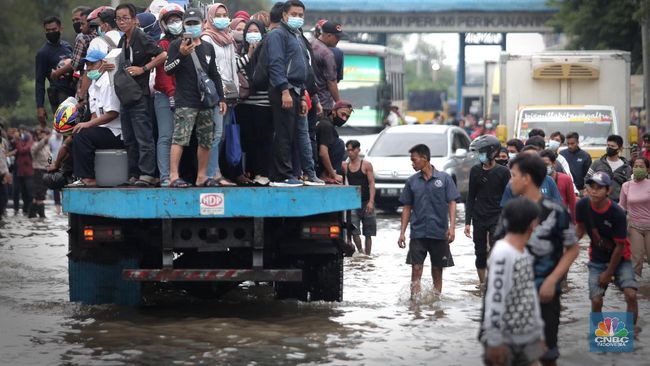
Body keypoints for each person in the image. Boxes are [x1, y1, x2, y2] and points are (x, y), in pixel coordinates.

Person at [505, 153, 579, 365]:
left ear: (526, 178)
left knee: (547, 355)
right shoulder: (511, 212)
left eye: (513, 175)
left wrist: (552, 280)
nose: (510, 181)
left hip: (546, 295)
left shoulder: (555, 211)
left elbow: (573, 249)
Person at [164, 8, 227, 188]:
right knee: (180, 138)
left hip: (206, 102)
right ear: (184, 25)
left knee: (206, 139)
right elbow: (168, 69)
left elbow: (214, 74)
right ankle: (174, 176)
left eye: (195, 23)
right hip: (185, 100)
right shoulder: (177, 45)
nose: (192, 27)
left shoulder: (208, 47)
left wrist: (221, 98)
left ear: (203, 23)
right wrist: (182, 54)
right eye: (189, 23)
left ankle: (202, 176)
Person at [480, 197, 545, 366]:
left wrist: (539, 333)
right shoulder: (503, 253)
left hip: (529, 336)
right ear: (532, 224)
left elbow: (529, 296)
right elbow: (495, 298)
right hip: (507, 341)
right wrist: (494, 341)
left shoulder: (523, 252)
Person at [575, 171, 639, 334]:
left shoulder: (617, 213)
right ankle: (600, 334)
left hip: (621, 259)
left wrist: (609, 272)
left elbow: (620, 247)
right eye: (591, 187)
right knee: (596, 300)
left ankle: (630, 332)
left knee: (631, 295)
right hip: (596, 258)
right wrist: (565, 248)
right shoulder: (582, 205)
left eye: (599, 188)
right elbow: (579, 230)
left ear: (608, 191)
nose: (594, 191)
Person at [115, 3, 167, 187]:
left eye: (125, 18)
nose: (122, 22)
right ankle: (134, 172)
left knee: (143, 136)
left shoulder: (141, 37)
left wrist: (143, 69)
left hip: (139, 95)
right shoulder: (123, 40)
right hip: (126, 95)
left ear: (134, 20)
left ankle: (147, 174)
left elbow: (162, 55)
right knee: (129, 138)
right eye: (118, 19)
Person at [398, 144, 459, 296]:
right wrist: (402, 233)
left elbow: (452, 203)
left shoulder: (444, 179)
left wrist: (452, 228)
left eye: (414, 160)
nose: (412, 163)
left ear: (424, 159)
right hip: (418, 233)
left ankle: (436, 303)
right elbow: (407, 207)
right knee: (416, 268)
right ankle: (415, 304)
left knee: (437, 270)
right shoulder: (411, 181)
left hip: (439, 232)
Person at [266, 0, 312, 187]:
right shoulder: (278, 34)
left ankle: (290, 173)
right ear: (284, 15)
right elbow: (276, 64)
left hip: (296, 89)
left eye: (301, 15)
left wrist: (301, 96)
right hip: (282, 90)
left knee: (292, 133)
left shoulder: (297, 35)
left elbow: (302, 68)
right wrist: (284, 90)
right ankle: (281, 175)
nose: (298, 18)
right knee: (283, 133)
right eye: (294, 14)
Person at [67, 49, 125, 188]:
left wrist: (87, 125)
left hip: (116, 131)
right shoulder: (94, 84)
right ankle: (77, 176)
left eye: (93, 64)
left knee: (83, 135)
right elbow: (94, 115)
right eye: (87, 64)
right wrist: (83, 125)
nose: (90, 67)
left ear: (102, 63)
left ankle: (89, 178)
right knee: (75, 135)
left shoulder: (107, 82)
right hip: (104, 129)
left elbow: (112, 114)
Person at [201, 3, 243, 186]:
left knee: (222, 135)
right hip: (216, 95)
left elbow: (233, 67)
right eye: (217, 15)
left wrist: (236, 91)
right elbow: (210, 69)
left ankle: (217, 171)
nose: (222, 18)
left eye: (225, 14)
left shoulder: (229, 38)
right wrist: (220, 92)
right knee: (215, 135)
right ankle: (213, 174)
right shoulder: (207, 38)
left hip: (230, 95)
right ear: (210, 17)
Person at [465, 135, 511, 286]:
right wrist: (467, 222)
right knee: (480, 253)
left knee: (496, 248)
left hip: (497, 216)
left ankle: (495, 280)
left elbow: (509, 196)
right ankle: (483, 284)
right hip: (479, 217)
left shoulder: (503, 172)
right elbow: (471, 197)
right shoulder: (475, 171)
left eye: (482, 152)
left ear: (492, 152)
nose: (479, 155)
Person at [235, 19, 273, 185]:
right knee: (247, 140)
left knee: (263, 140)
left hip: (264, 104)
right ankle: (248, 172)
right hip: (244, 104)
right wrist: (249, 55)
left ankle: (263, 173)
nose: (252, 34)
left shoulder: (269, 50)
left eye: (256, 31)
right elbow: (234, 67)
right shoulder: (239, 50)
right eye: (249, 31)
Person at [153, 4, 184, 187]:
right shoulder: (163, 44)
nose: (175, 24)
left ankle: (179, 174)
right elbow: (164, 75)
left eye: (178, 20)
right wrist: (172, 94)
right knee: (166, 136)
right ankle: (165, 176)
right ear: (164, 24)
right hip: (165, 96)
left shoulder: (187, 42)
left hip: (185, 96)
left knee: (182, 138)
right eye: (171, 21)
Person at [35, 16, 75, 128]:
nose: (51, 32)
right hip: (59, 95)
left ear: (60, 29)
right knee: (66, 130)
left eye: (54, 29)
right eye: (48, 30)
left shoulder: (67, 46)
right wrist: (40, 107)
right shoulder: (43, 53)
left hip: (74, 92)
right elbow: (39, 82)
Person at [343, 140, 376, 255]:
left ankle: (368, 255)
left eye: (352, 150)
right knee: (354, 231)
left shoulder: (366, 165)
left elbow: (371, 183)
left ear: (358, 150)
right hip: (353, 203)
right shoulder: (345, 166)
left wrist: (371, 202)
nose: (350, 152)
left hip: (366, 201)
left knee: (368, 232)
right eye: (348, 150)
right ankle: (360, 253)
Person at [619, 157, 650, 277]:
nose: (637, 169)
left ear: (648, 169)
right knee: (636, 260)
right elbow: (622, 207)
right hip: (634, 227)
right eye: (635, 166)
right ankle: (634, 289)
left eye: (641, 166)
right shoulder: (626, 186)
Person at [310, 20, 345, 114]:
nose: (339, 40)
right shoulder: (327, 54)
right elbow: (332, 82)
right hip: (324, 104)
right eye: (337, 37)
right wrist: (338, 103)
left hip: (309, 100)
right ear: (329, 35)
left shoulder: (310, 45)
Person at [585, 134, 631, 202]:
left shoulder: (626, 167)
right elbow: (587, 179)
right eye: (608, 145)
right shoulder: (597, 163)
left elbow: (629, 186)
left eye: (612, 146)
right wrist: (591, 193)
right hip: (599, 202)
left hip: (618, 203)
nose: (609, 148)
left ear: (620, 149)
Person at [316, 100, 352, 184]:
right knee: (340, 144)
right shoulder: (326, 126)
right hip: (316, 164)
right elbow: (323, 153)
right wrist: (334, 174)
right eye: (343, 114)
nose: (344, 119)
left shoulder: (327, 124)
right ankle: (324, 175)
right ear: (333, 111)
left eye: (347, 117)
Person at [540, 149, 576, 223]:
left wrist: (574, 222)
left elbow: (572, 202)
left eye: (546, 164)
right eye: (541, 164)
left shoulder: (566, 179)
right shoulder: (537, 180)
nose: (543, 167)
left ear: (554, 164)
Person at [10, 127, 34, 216]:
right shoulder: (17, 141)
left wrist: (18, 141)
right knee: (22, 192)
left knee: (29, 192)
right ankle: (23, 210)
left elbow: (23, 150)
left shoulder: (28, 140)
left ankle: (30, 210)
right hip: (20, 170)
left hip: (28, 170)